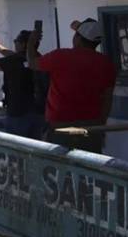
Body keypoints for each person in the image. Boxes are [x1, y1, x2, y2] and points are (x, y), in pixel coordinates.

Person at [26, 18, 117, 152]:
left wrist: (31, 42)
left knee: (59, 167)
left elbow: (32, 63)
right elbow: (107, 98)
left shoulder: (61, 56)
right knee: (90, 167)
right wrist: (100, 124)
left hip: (61, 127)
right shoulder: (106, 64)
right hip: (91, 126)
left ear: (78, 38)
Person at [0, 31, 46, 139]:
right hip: (38, 114)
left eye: (16, 41)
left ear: (23, 44)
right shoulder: (38, 58)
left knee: (17, 150)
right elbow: (16, 56)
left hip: (18, 114)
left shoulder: (14, 61)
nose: (14, 43)